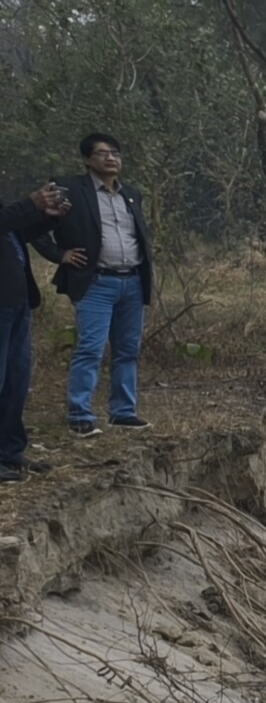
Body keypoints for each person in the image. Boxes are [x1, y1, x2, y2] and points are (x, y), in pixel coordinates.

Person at [47, 133, 153, 437]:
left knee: (127, 350)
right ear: (87, 159)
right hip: (96, 283)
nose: (111, 158)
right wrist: (59, 254)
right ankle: (79, 414)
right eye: (103, 153)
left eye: (116, 153)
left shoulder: (130, 194)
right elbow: (37, 226)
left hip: (131, 281)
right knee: (91, 349)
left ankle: (123, 412)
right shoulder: (69, 189)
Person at [0, 178, 71, 481]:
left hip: (15, 300)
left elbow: (14, 231)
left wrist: (45, 217)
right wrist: (31, 204)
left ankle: (10, 452)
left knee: (15, 381)